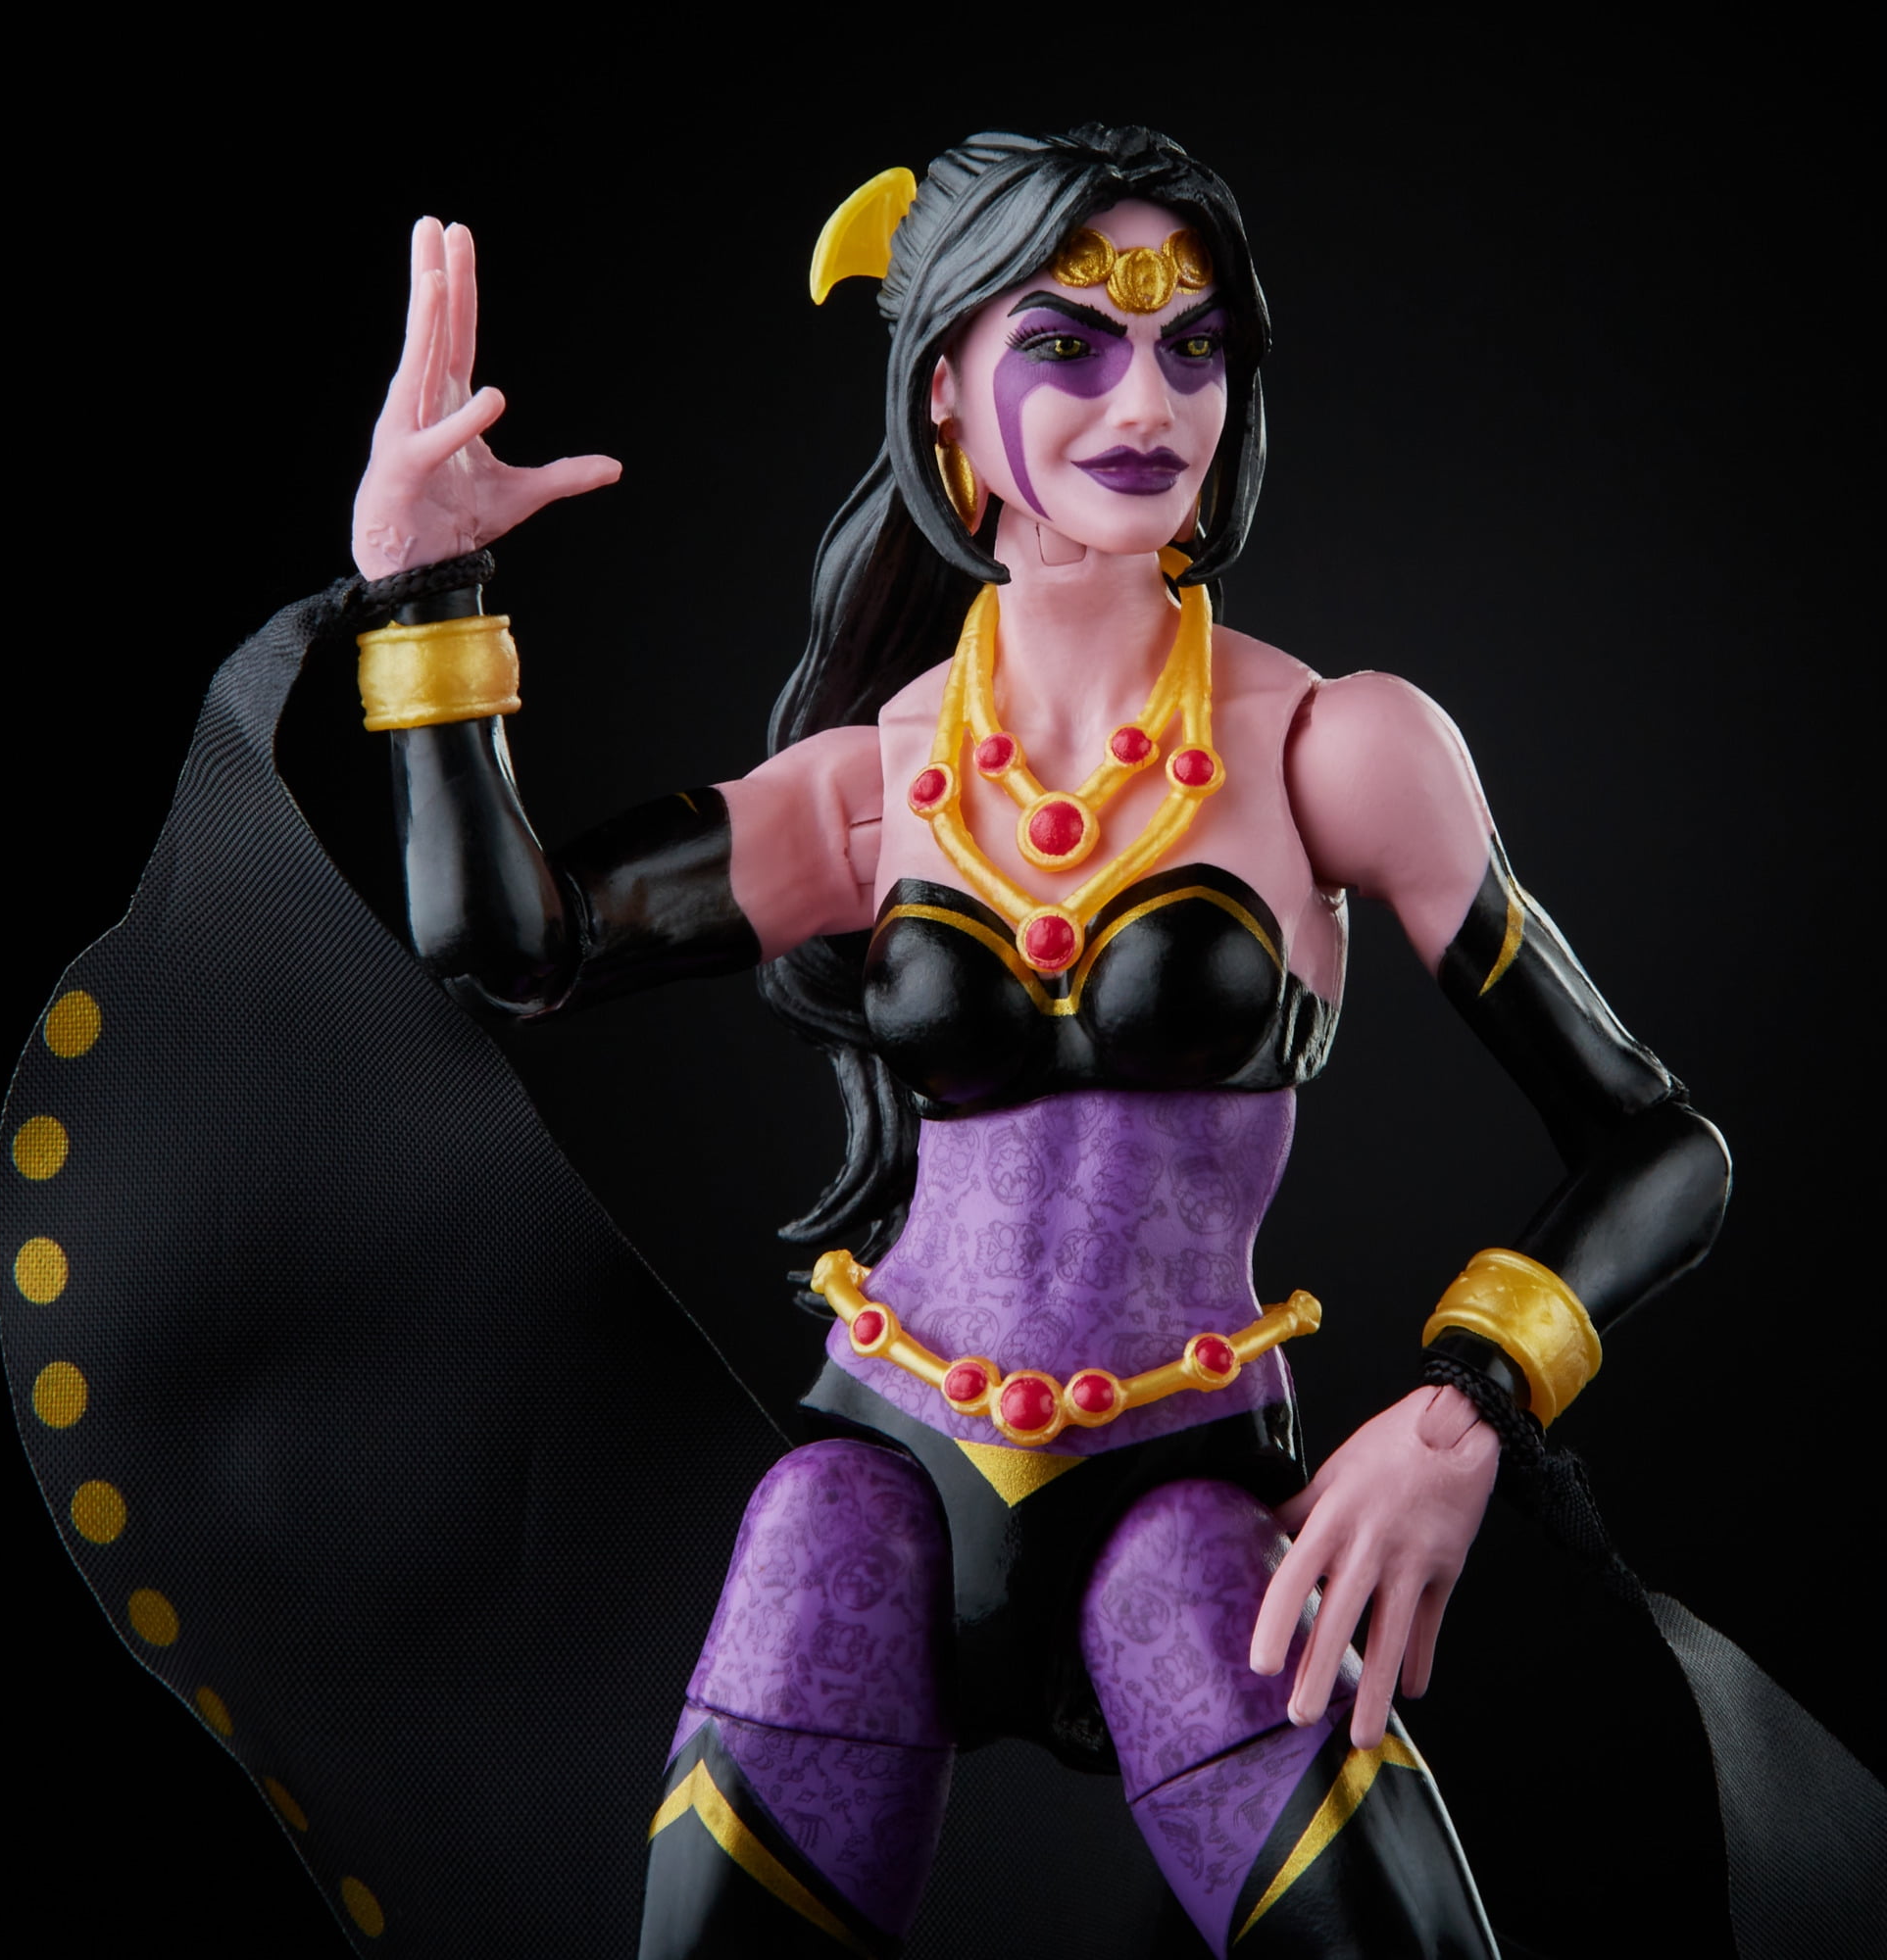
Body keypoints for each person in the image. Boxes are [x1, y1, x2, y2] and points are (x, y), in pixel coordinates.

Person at [344, 127, 1729, 1955]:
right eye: (1066, 343)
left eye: (1192, 345)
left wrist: (1465, 1410)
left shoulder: (1337, 747)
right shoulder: (877, 780)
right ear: (943, 389)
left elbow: (1656, 1139)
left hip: (1185, 1491)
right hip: (886, 1466)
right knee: (811, 1546)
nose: (1145, 401)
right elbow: (515, 946)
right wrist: (422, 592)